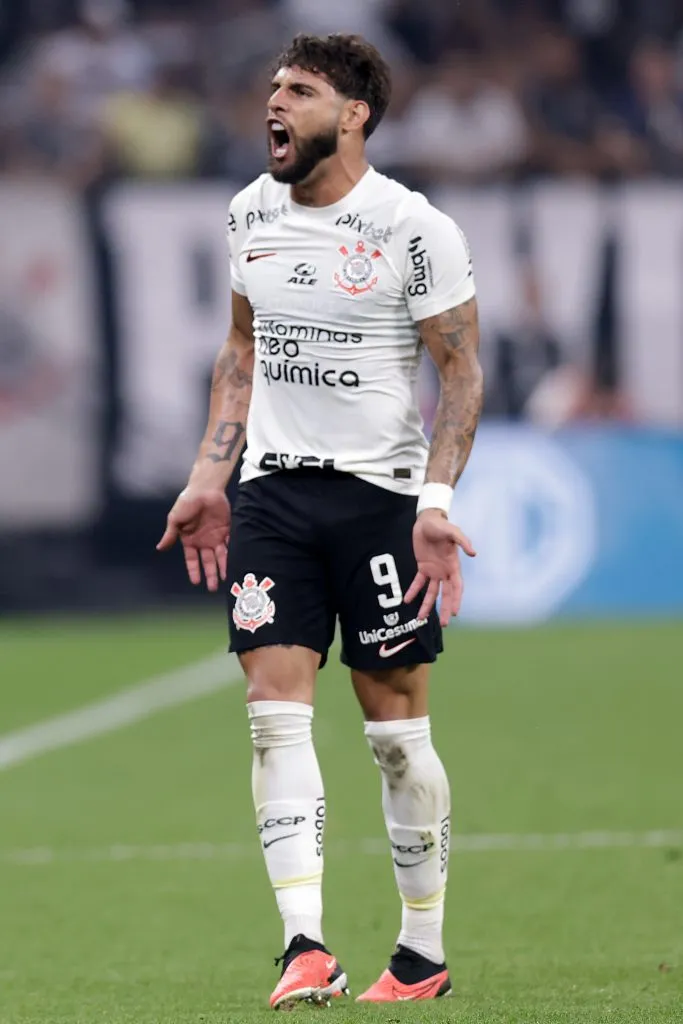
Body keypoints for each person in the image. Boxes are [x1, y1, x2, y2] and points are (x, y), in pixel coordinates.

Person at [158, 33, 483, 1010]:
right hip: (271, 497)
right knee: (270, 714)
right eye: (269, 88)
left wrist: (434, 503)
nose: (272, 104)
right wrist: (210, 473)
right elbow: (239, 349)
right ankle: (304, 943)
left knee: (394, 736)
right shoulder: (247, 213)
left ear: (352, 114)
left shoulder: (412, 228)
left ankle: (418, 955)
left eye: (296, 91)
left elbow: (460, 372)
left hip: (380, 502)